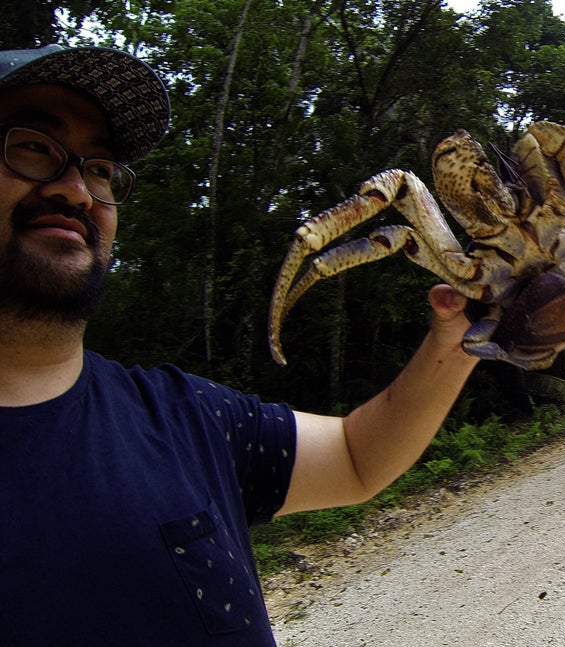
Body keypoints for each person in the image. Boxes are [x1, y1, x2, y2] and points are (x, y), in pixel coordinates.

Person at [0, 45, 479, 644]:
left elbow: (359, 457)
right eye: (33, 147)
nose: (77, 190)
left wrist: (461, 337)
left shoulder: (187, 418)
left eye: (100, 168)